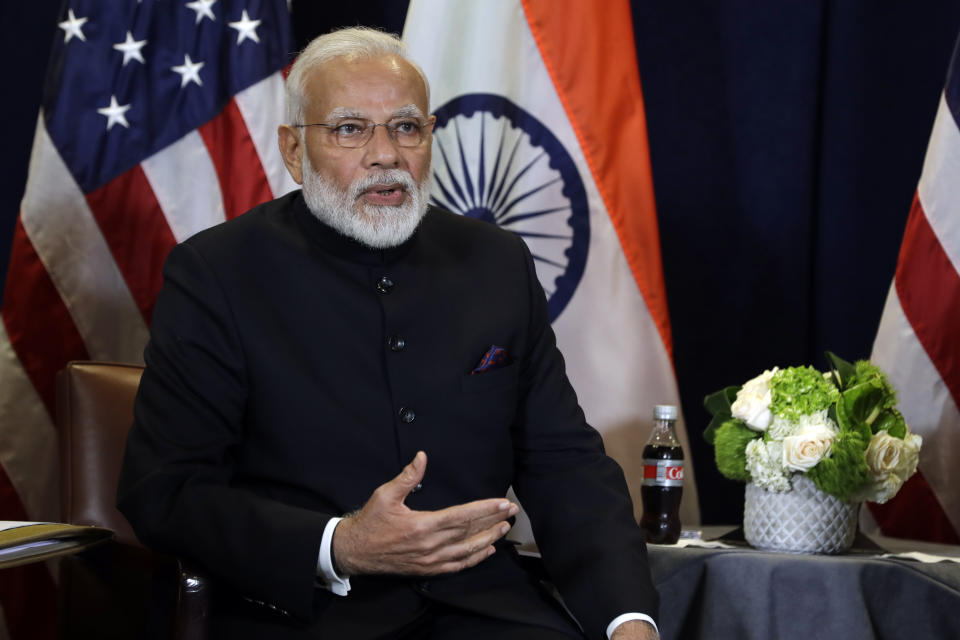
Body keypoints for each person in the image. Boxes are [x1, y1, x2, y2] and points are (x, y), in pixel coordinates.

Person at [117, 27, 659, 640]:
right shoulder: (217, 273)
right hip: (306, 613)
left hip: (481, 607)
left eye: (407, 127)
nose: (386, 155)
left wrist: (627, 619)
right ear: (294, 151)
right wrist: (341, 545)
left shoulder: (496, 262)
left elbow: (565, 463)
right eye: (350, 129)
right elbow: (166, 490)